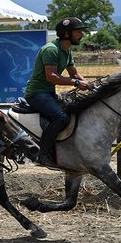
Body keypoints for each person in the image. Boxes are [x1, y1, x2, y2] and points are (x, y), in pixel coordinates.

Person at [24, 17, 89, 166]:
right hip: (36, 94)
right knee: (61, 118)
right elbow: (51, 76)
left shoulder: (67, 51)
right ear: (67, 34)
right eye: (78, 32)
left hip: (47, 93)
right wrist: (77, 83)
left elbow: (74, 73)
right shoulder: (51, 50)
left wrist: (91, 85)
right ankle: (42, 155)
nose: (82, 35)